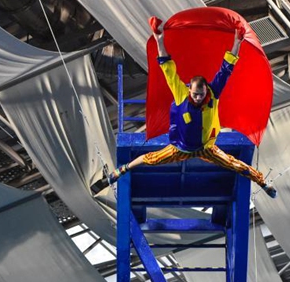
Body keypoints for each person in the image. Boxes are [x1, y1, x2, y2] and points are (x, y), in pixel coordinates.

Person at [105, 16, 277, 198]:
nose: (198, 97)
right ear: (190, 91)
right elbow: (167, 69)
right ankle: (123, 170)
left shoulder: (213, 93)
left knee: (234, 164)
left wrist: (237, 41)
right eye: (195, 94)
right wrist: (159, 39)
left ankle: (263, 183)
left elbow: (226, 68)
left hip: (206, 148)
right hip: (180, 147)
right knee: (151, 159)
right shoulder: (181, 94)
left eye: (201, 94)